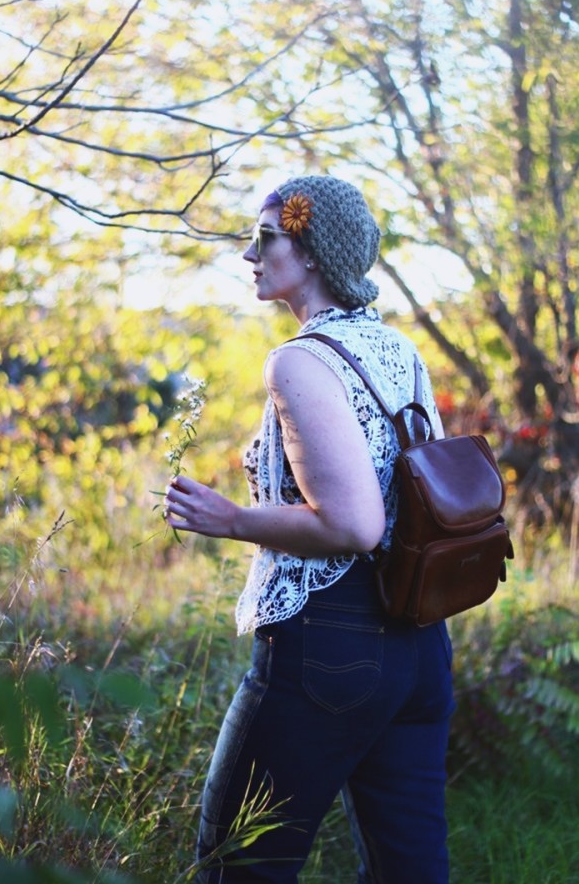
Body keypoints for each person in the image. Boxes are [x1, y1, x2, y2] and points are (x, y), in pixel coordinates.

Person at [164, 175, 454, 884]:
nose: (248, 255)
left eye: (265, 238)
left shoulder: (298, 360)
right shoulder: (397, 351)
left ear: (314, 252)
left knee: (239, 865)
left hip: (328, 644)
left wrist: (230, 519)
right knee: (408, 871)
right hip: (418, 644)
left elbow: (354, 524)